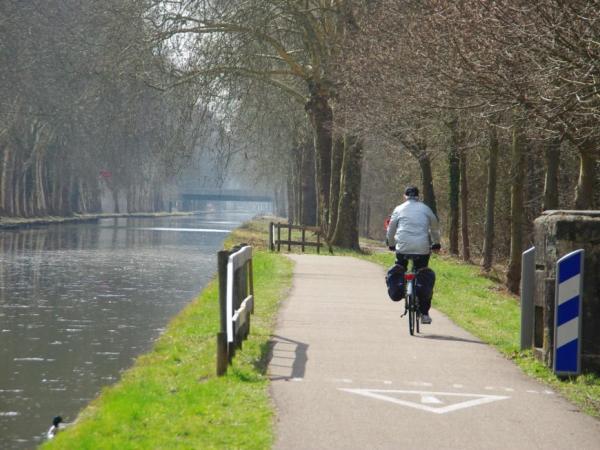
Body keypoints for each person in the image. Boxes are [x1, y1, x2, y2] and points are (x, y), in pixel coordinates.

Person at [386, 186, 441, 324]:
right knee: (422, 273)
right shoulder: (425, 209)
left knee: (400, 267)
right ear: (418, 196)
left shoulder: (399, 209)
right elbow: (434, 228)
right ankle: (424, 314)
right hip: (422, 248)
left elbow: (391, 228)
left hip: (402, 247)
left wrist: (391, 243)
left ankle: (400, 287)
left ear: (405, 196)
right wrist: (436, 243)